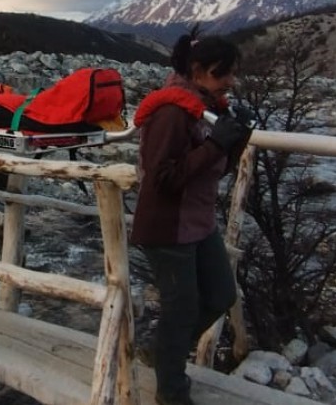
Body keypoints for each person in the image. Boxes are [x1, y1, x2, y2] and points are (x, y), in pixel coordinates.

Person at [130, 26, 252, 405]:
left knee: (219, 295)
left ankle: (160, 349)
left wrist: (236, 139)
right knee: (180, 309)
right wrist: (218, 142)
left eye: (231, 73)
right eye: (222, 74)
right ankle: (171, 391)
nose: (229, 82)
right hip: (167, 227)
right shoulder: (172, 111)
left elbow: (216, 169)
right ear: (197, 71)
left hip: (197, 223)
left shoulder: (210, 110)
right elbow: (162, 178)